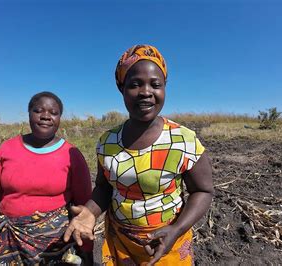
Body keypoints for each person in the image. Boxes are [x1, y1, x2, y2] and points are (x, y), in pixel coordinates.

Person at [64, 45, 214, 265]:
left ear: (164, 88)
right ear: (121, 88)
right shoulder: (108, 142)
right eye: (135, 84)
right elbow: (104, 188)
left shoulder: (183, 141)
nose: (146, 91)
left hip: (168, 241)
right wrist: (89, 213)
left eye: (156, 84)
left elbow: (203, 190)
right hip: (121, 242)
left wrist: (175, 230)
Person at [0, 91, 93, 265]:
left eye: (53, 112)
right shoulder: (7, 149)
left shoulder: (71, 155)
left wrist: (87, 250)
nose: (46, 116)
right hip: (8, 243)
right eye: (38, 110)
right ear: (29, 113)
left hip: (57, 246)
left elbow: (84, 207)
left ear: (60, 118)